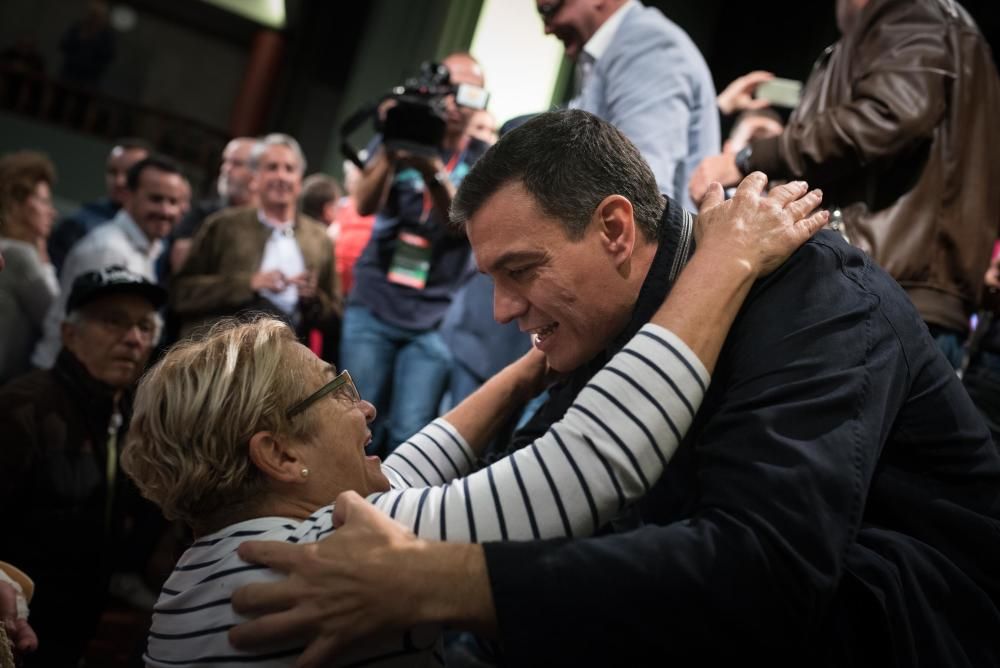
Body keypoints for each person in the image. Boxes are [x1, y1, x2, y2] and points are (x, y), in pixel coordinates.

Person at [230, 110, 1000, 666]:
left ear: (616, 229)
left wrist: (436, 584)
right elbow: (542, 496)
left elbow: (764, 576)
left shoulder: (814, 291)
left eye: (521, 272)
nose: (502, 311)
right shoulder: (605, 328)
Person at [120, 170, 824, 666]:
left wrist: (530, 369)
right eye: (335, 391)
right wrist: (727, 258)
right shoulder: (316, 555)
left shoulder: (210, 565)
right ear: (276, 455)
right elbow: (595, 459)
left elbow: (416, 466)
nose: (365, 406)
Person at [689, 0, 1000, 368]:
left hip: (875, 298)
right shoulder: (933, 22)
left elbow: (888, 116)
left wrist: (748, 159)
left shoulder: (910, 11)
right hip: (892, 298)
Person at [0, 266, 165, 667]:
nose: (133, 338)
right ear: (69, 334)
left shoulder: (135, 415)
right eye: (113, 321)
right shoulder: (21, 410)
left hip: (82, 627)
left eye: (145, 326)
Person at [342, 52, 490, 454]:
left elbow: (461, 225)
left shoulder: (483, 158)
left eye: (470, 93)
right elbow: (364, 204)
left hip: (435, 319)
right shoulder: (400, 135)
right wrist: (392, 147)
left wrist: (431, 170)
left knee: (410, 436)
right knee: (355, 427)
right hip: (373, 304)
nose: (458, 102)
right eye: (450, 90)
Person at [539, 0, 718, 209]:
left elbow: (641, 194)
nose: (547, 28)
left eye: (550, 10)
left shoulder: (647, 45)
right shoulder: (610, 50)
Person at [170, 133, 341, 341]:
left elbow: (334, 313)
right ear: (255, 177)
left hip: (285, 354)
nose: (281, 176)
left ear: (300, 179)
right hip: (219, 346)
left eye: (289, 169)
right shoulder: (223, 225)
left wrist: (313, 298)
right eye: (272, 167)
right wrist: (249, 284)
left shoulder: (319, 239)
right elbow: (181, 293)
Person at [32, 154, 185, 369]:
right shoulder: (108, 250)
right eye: (156, 199)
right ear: (129, 196)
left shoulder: (147, 249)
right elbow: (94, 339)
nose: (166, 211)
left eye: (173, 202)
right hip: (66, 380)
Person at [47, 137, 150, 272]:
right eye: (113, 172)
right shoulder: (78, 223)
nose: (119, 181)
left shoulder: (162, 231)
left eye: (129, 173)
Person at [0, 151, 58, 384]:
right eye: (43, 201)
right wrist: (43, 258)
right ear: (16, 202)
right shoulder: (19, 255)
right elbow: (55, 318)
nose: (51, 211)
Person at [168, 136, 258, 275]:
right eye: (225, 161)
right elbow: (181, 266)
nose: (226, 169)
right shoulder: (203, 213)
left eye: (237, 164)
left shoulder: (271, 223)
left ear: (258, 173)